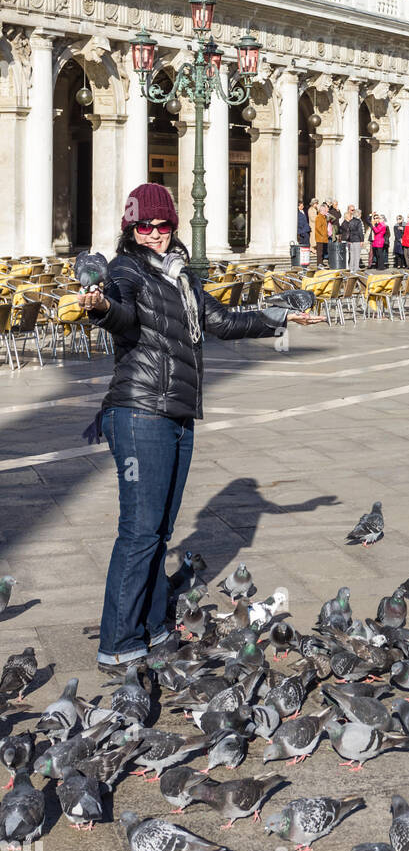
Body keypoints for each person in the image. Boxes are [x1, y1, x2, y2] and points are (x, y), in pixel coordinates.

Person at [77, 183, 323, 672]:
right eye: (143, 226)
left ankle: (152, 628)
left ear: (173, 225)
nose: (154, 234)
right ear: (130, 229)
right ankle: (119, 642)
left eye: (162, 225)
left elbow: (224, 321)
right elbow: (121, 312)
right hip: (139, 412)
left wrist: (279, 315)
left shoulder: (182, 278)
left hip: (177, 413)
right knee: (139, 532)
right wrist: (100, 308)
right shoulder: (127, 270)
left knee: (160, 531)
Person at [340, 205, 365, 274]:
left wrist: (350, 240)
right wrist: (362, 240)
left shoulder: (350, 221)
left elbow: (349, 232)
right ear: (359, 215)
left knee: (352, 255)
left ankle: (351, 268)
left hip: (352, 240)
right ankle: (356, 269)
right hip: (357, 240)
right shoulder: (358, 221)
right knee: (357, 255)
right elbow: (360, 232)